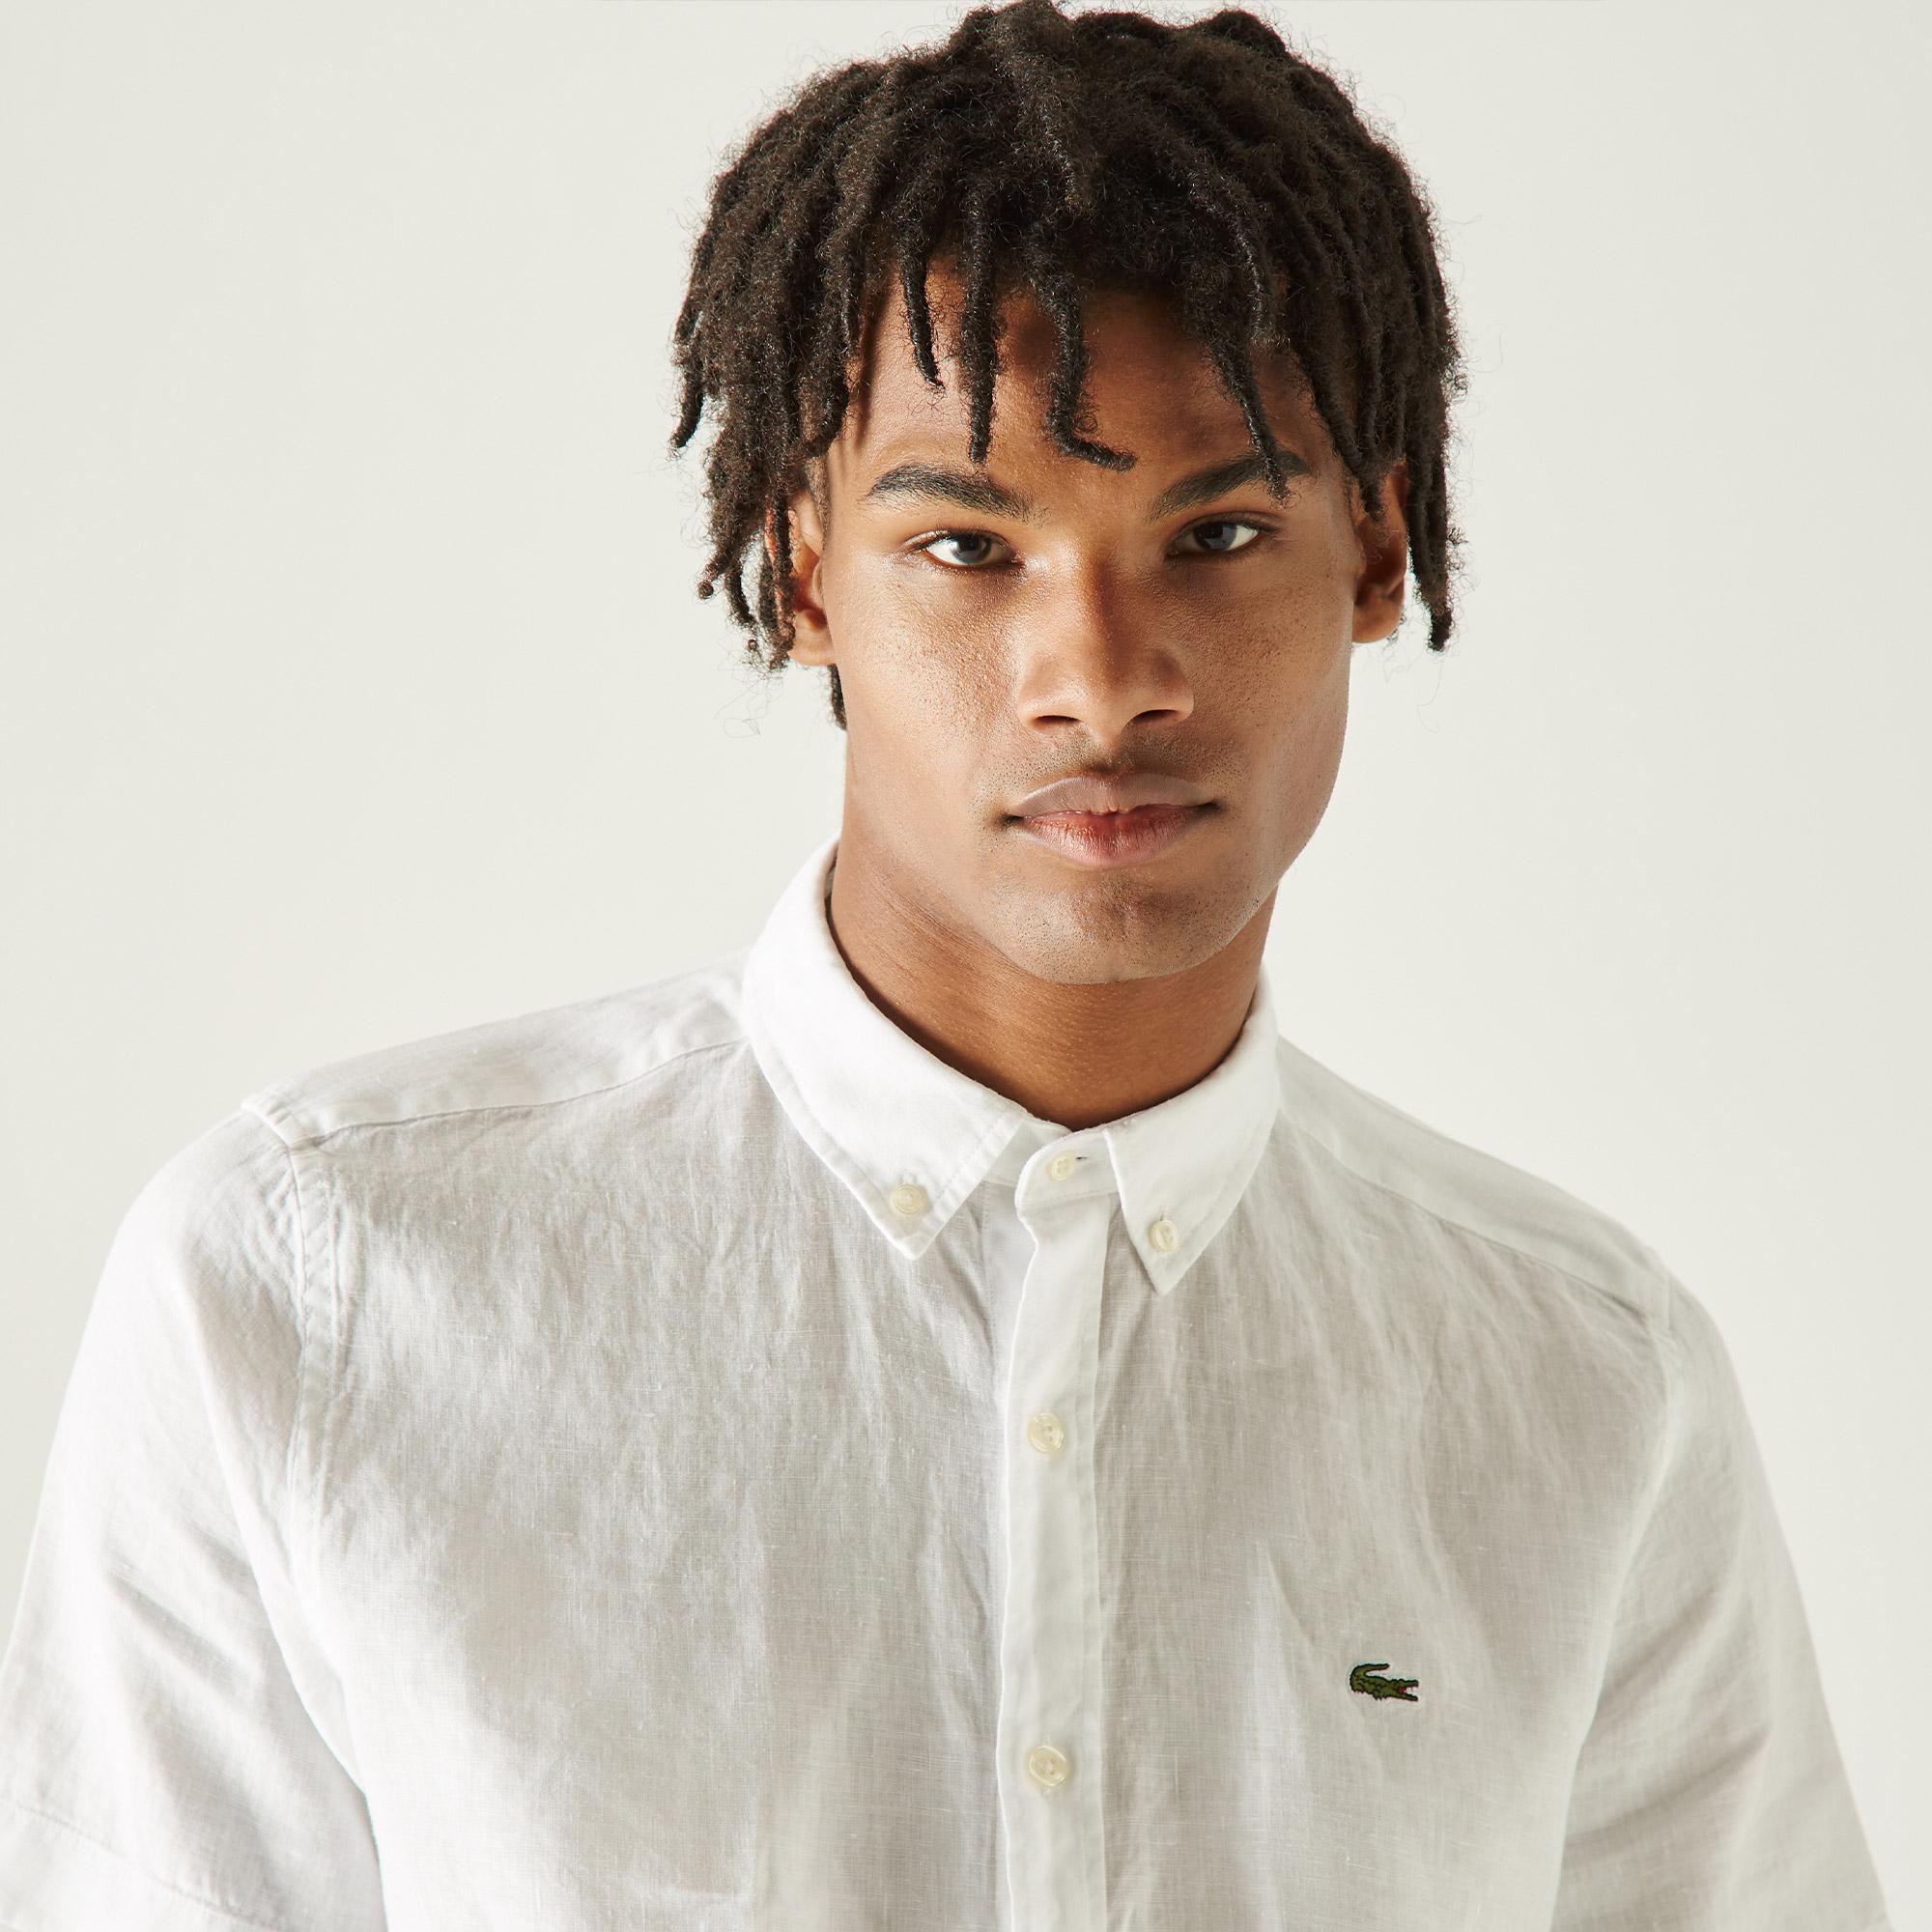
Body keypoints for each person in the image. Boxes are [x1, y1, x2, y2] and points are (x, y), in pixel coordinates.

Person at [0, 2, 1894, 1927]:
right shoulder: (320, 1291)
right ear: (801, 571)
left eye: (1220, 529)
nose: (1102, 679)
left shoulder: (1582, 1384)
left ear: (1377, 555)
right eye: (970, 547)